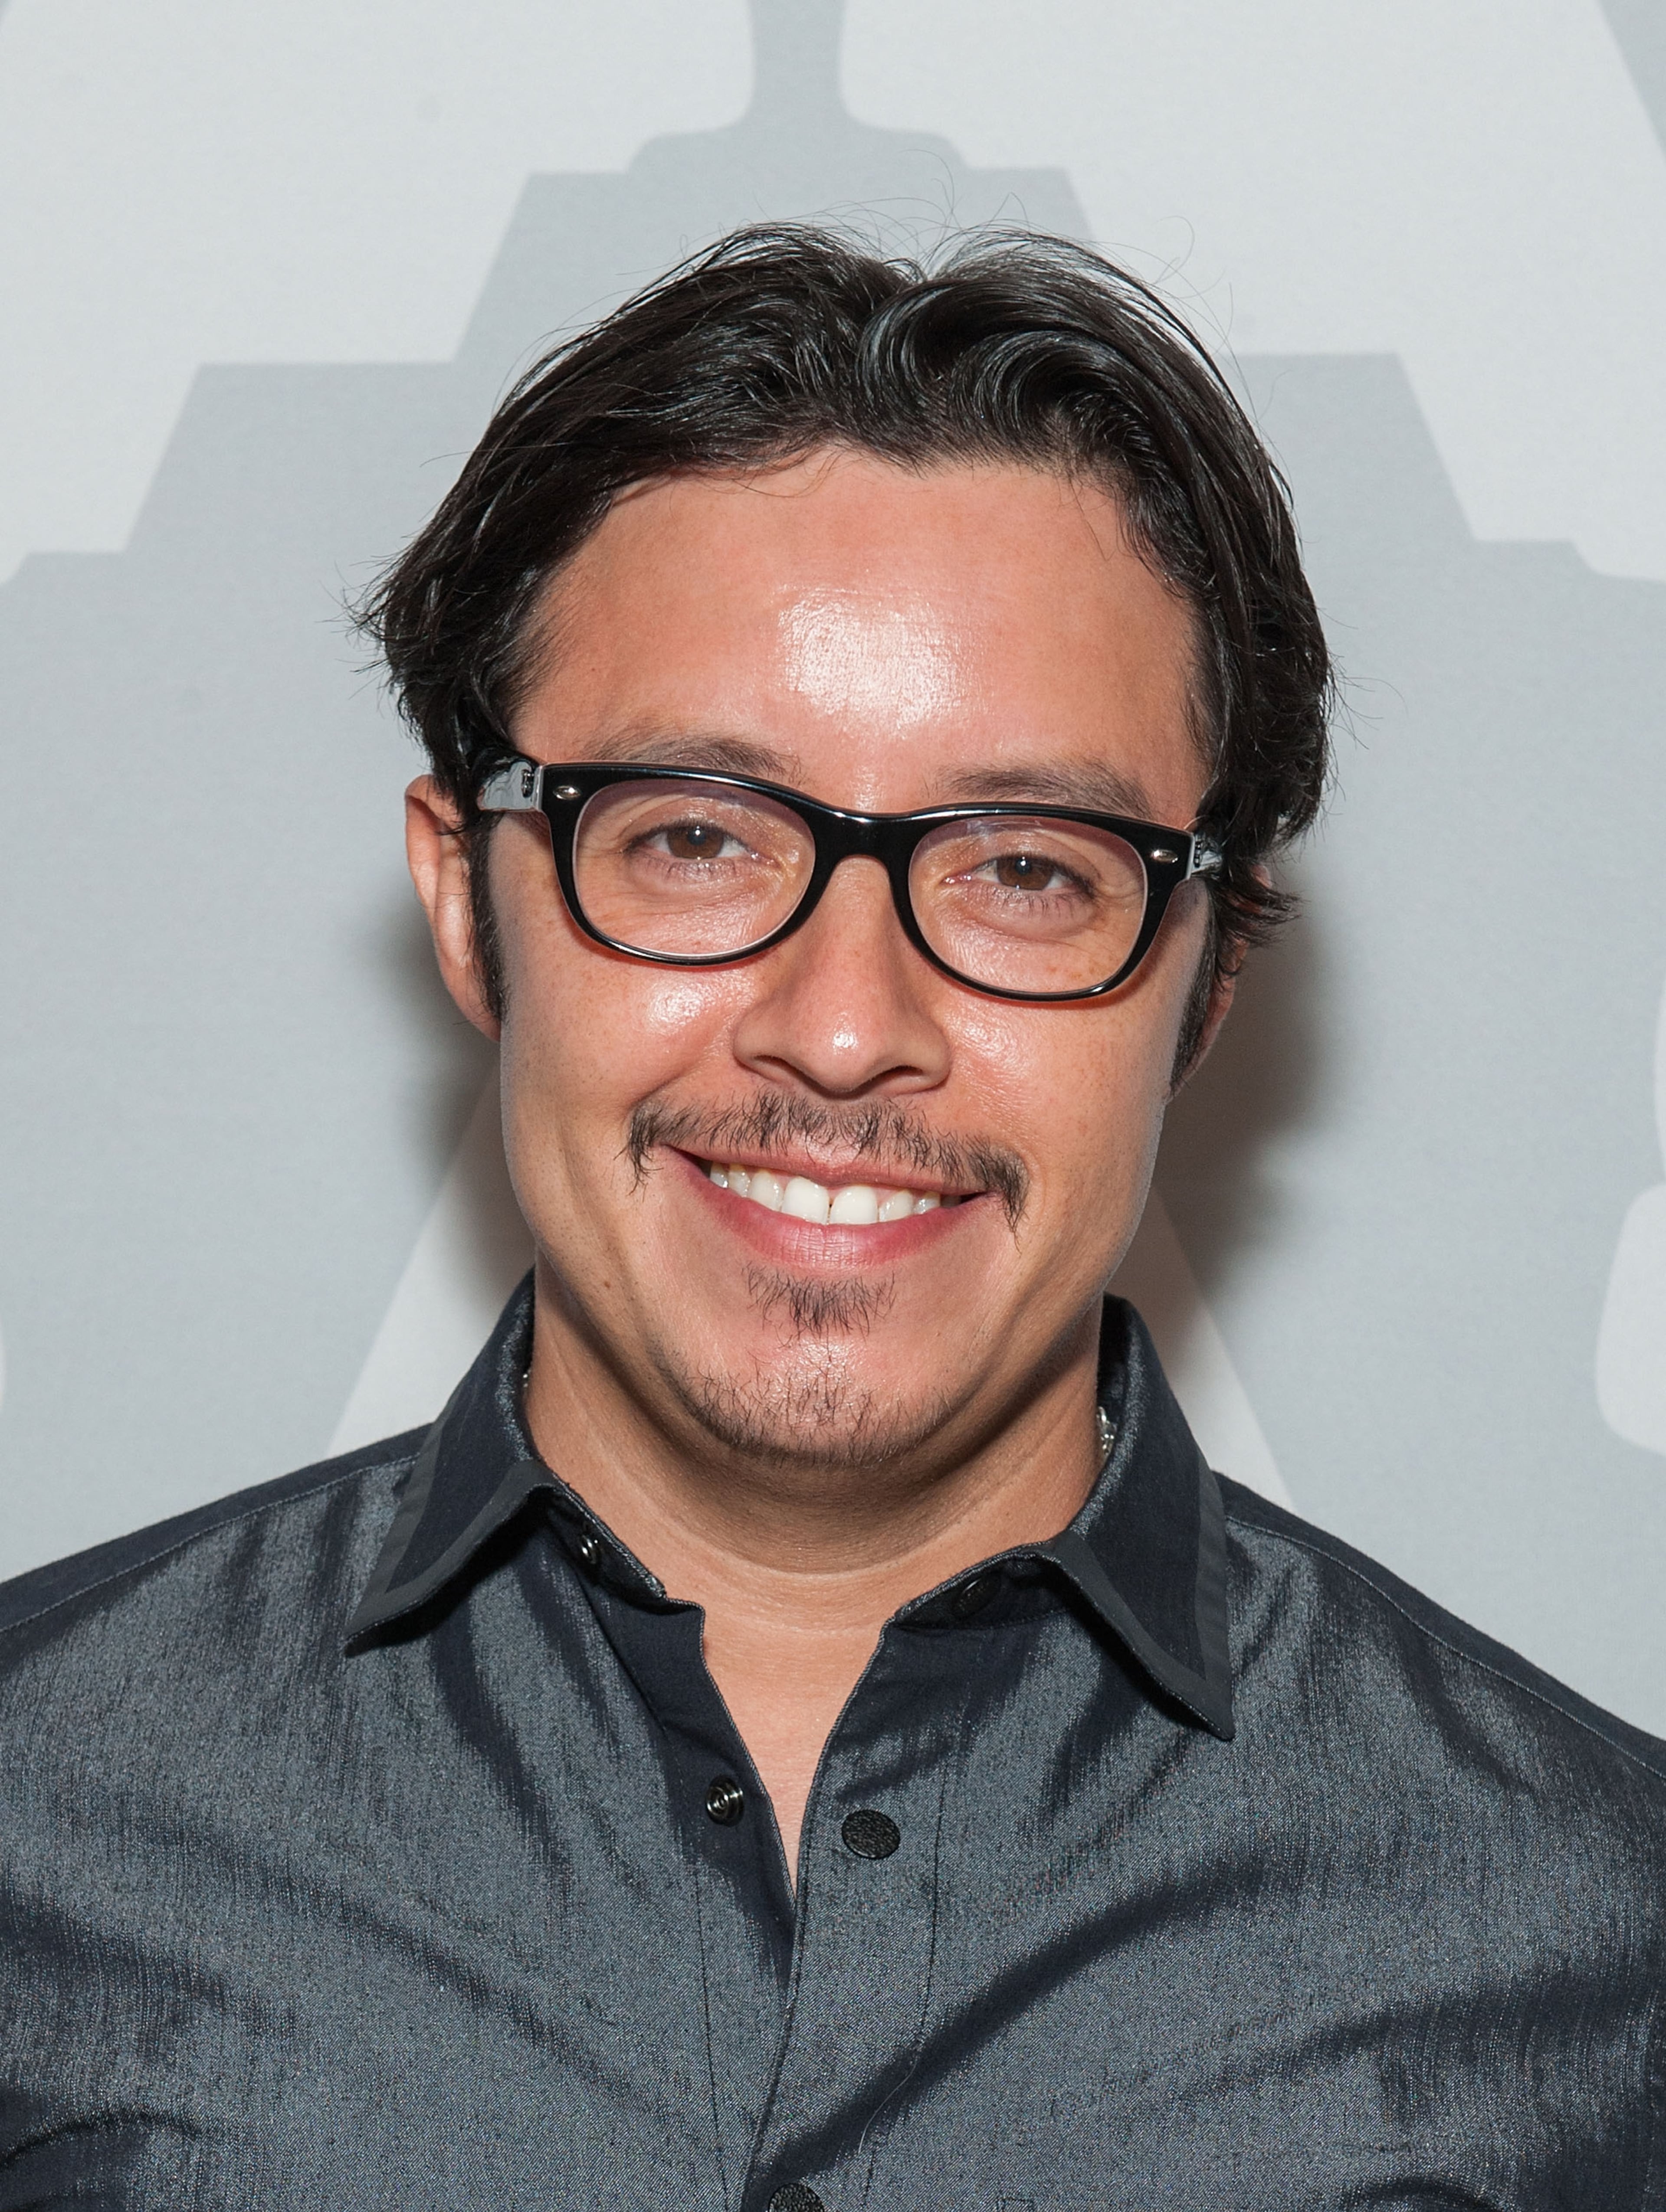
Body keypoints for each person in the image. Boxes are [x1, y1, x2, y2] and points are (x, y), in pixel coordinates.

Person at [1, 225, 1660, 2209]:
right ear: (466, 902)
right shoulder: (38, 1819)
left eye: (1029, 871)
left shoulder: (1595, 1934)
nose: (848, 1030)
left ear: (1209, 982)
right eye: (695, 836)